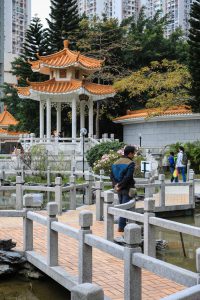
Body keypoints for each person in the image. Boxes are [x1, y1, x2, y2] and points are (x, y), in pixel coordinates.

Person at [110, 145, 136, 232]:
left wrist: (116, 185)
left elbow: (111, 175)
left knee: (122, 206)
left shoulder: (116, 162)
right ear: (130, 153)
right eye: (133, 153)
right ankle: (122, 228)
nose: (134, 155)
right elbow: (128, 177)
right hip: (127, 188)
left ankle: (123, 227)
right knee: (124, 208)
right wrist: (120, 185)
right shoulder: (130, 163)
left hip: (118, 188)